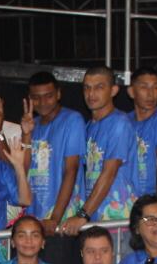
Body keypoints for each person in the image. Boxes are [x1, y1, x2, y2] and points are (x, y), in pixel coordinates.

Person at [59, 66, 138, 236]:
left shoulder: (119, 123)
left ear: (113, 90)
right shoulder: (89, 126)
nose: (91, 93)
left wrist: (82, 214)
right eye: (87, 88)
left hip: (118, 220)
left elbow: (109, 173)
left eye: (99, 87)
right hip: (95, 219)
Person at [20, 71, 86, 240]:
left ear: (58, 94)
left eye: (48, 96)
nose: (42, 102)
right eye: (36, 97)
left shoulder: (72, 120)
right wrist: (26, 134)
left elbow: (71, 170)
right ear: (29, 98)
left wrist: (55, 218)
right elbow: (22, 170)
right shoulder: (31, 124)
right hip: (34, 218)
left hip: (62, 220)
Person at [127, 67, 157, 198]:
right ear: (131, 92)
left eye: (156, 88)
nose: (150, 94)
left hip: (150, 198)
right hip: (126, 198)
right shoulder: (124, 121)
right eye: (144, 87)